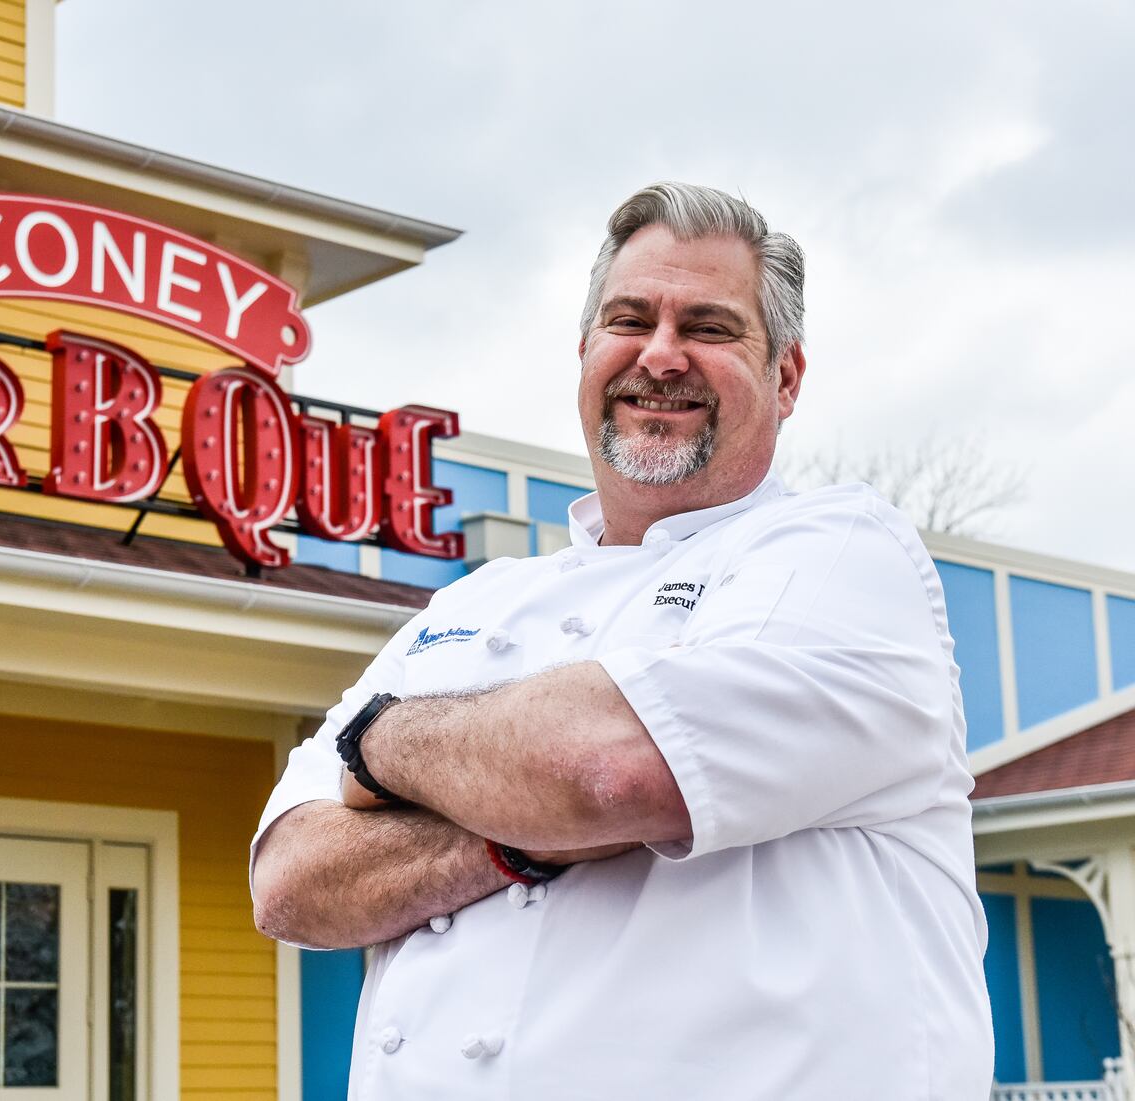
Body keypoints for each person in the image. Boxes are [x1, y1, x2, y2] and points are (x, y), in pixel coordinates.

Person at [250, 181, 993, 1099]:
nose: (662, 353)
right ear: (586, 355)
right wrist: (518, 835)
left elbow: (612, 769)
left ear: (787, 378)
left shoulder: (840, 550)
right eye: (629, 319)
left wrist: (381, 739)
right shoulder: (472, 601)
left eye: (711, 327)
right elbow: (290, 880)